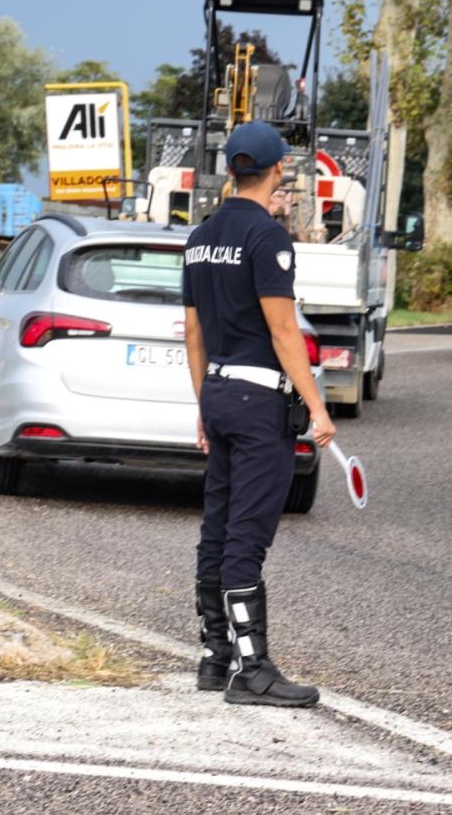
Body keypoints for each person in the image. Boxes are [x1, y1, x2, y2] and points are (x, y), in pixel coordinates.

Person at [181, 121, 336, 708]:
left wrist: (204, 402)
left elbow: (193, 332)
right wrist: (317, 406)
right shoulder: (267, 238)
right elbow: (283, 330)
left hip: (219, 392)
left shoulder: (201, 237)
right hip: (257, 403)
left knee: (218, 528)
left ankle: (214, 656)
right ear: (277, 170)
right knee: (246, 535)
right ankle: (252, 672)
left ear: (231, 169)